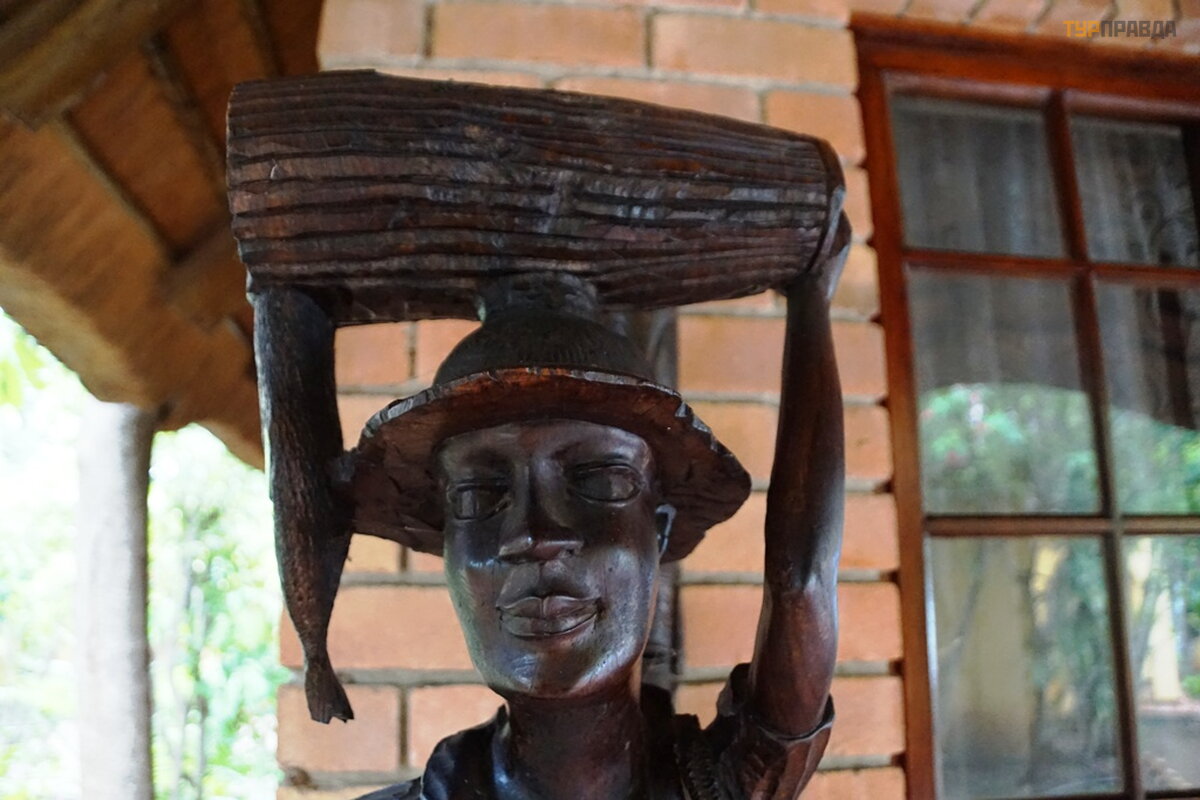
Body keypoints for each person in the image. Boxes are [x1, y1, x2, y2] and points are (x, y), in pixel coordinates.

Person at [342, 261, 846, 800]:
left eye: (599, 482)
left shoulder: (714, 788)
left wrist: (811, 296)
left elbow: (802, 581)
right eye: (478, 497)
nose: (534, 537)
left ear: (658, 532)